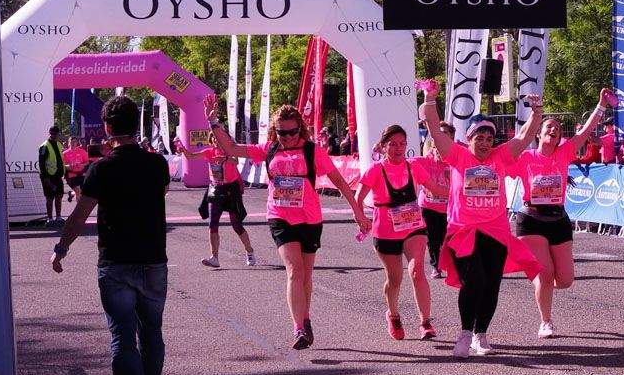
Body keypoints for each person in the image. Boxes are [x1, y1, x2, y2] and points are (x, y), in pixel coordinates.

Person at [206, 95, 370, 349]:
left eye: (292, 132)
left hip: (309, 218)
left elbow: (339, 181)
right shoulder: (269, 148)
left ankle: (305, 319)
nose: (287, 137)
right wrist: (213, 121)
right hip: (280, 217)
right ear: (275, 130)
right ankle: (298, 329)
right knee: (294, 271)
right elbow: (232, 149)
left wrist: (357, 212)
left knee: (306, 276)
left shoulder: (311, 150)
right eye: (282, 133)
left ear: (300, 128)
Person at [49, 96, 171, 375]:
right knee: (152, 332)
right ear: (137, 125)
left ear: (107, 128)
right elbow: (156, 198)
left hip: (115, 261)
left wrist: (62, 248)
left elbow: (80, 215)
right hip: (152, 259)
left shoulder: (100, 168)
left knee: (122, 336)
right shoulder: (158, 164)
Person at [419, 82, 543, 358]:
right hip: (464, 230)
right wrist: (429, 99)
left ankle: (481, 334)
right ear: (470, 138)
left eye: (489, 138)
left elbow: (524, 137)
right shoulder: (458, 155)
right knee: (473, 280)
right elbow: (435, 133)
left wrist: (536, 111)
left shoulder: (501, 156)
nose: (485, 143)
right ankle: (465, 332)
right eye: (479, 138)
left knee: (491, 283)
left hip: (496, 230)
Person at [511, 89, 609, 338]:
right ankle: (546, 321)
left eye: (557, 129)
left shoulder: (565, 153)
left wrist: (600, 106)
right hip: (530, 219)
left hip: (558, 219)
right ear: (539, 135)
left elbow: (585, 133)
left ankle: (543, 282)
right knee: (545, 276)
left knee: (564, 280)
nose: (553, 131)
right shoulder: (525, 157)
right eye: (548, 128)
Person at [355, 125, 435, 341]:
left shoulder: (413, 167)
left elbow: (435, 189)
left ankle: (425, 322)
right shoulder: (375, 170)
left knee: (417, 270)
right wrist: (361, 218)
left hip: (414, 227)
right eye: (393, 144)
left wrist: (462, 192)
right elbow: (358, 197)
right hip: (386, 231)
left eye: (402, 144)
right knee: (395, 279)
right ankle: (393, 314)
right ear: (383, 146)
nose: (398, 148)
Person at [175, 130, 259, 268]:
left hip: (231, 190)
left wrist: (225, 159)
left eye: (218, 139)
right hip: (215, 189)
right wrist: (183, 149)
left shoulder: (229, 150)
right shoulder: (209, 152)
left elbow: (235, 161)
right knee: (212, 224)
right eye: (213, 138)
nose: (216, 141)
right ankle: (214, 257)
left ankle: (249, 251)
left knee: (236, 225)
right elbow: (191, 157)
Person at [414, 122, 455, 280]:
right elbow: (401, 163)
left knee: (448, 238)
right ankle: (436, 266)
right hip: (428, 207)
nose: (442, 137)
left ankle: (450, 265)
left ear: (451, 139)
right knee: (432, 238)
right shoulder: (424, 160)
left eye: (446, 134)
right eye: (440, 133)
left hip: (450, 208)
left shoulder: (456, 160)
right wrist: (381, 153)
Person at [38, 125, 65, 223]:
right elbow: (41, 163)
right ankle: (50, 219)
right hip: (48, 176)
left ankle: (58, 217)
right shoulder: (44, 146)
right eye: (53, 134)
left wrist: (63, 172)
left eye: (56, 134)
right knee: (50, 197)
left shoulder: (59, 144)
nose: (54, 135)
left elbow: (60, 160)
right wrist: (45, 178)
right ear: (50, 134)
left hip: (57, 175)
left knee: (59, 195)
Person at [62, 136, 89, 202]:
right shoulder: (64, 153)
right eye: (71, 142)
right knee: (78, 191)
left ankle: (71, 194)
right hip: (71, 175)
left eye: (74, 142)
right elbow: (62, 165)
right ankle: (80, 210)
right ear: (68, 143)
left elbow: (87, 162)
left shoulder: (82, 151)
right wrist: (67, 166)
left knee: (81, 191)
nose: (73, 143)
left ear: (77, 143)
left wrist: (82, 165)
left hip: (81, 174)